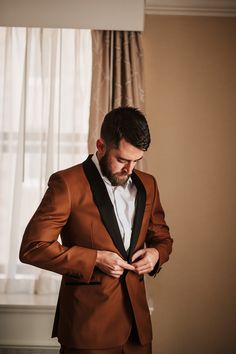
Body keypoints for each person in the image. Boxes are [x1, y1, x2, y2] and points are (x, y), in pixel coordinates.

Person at [19, 106, 173, 354]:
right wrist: (95, 258)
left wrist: (155, 255)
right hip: (87, 330)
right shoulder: (66, 183)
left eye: (137, 160)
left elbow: (162, 237)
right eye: (122, 160)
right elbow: (33, 248)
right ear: (101, 146)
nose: (130, 170)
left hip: (138, 331)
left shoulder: (148, 184)